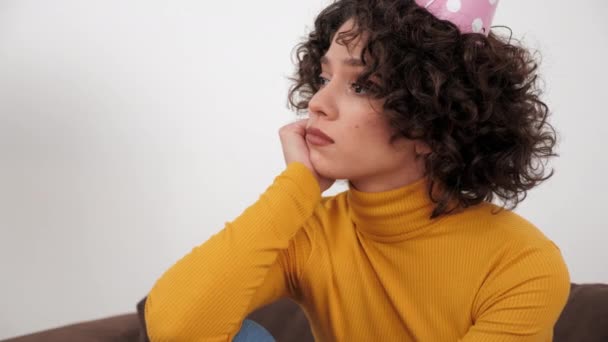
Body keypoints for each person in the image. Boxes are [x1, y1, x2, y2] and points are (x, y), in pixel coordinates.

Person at [142, 0, 570, 340]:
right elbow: (177, 327)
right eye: (324, 78)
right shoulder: (311, 232)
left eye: (361, 85)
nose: (317, 104)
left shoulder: (522, 262)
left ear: (434, 119)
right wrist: (297, 187)